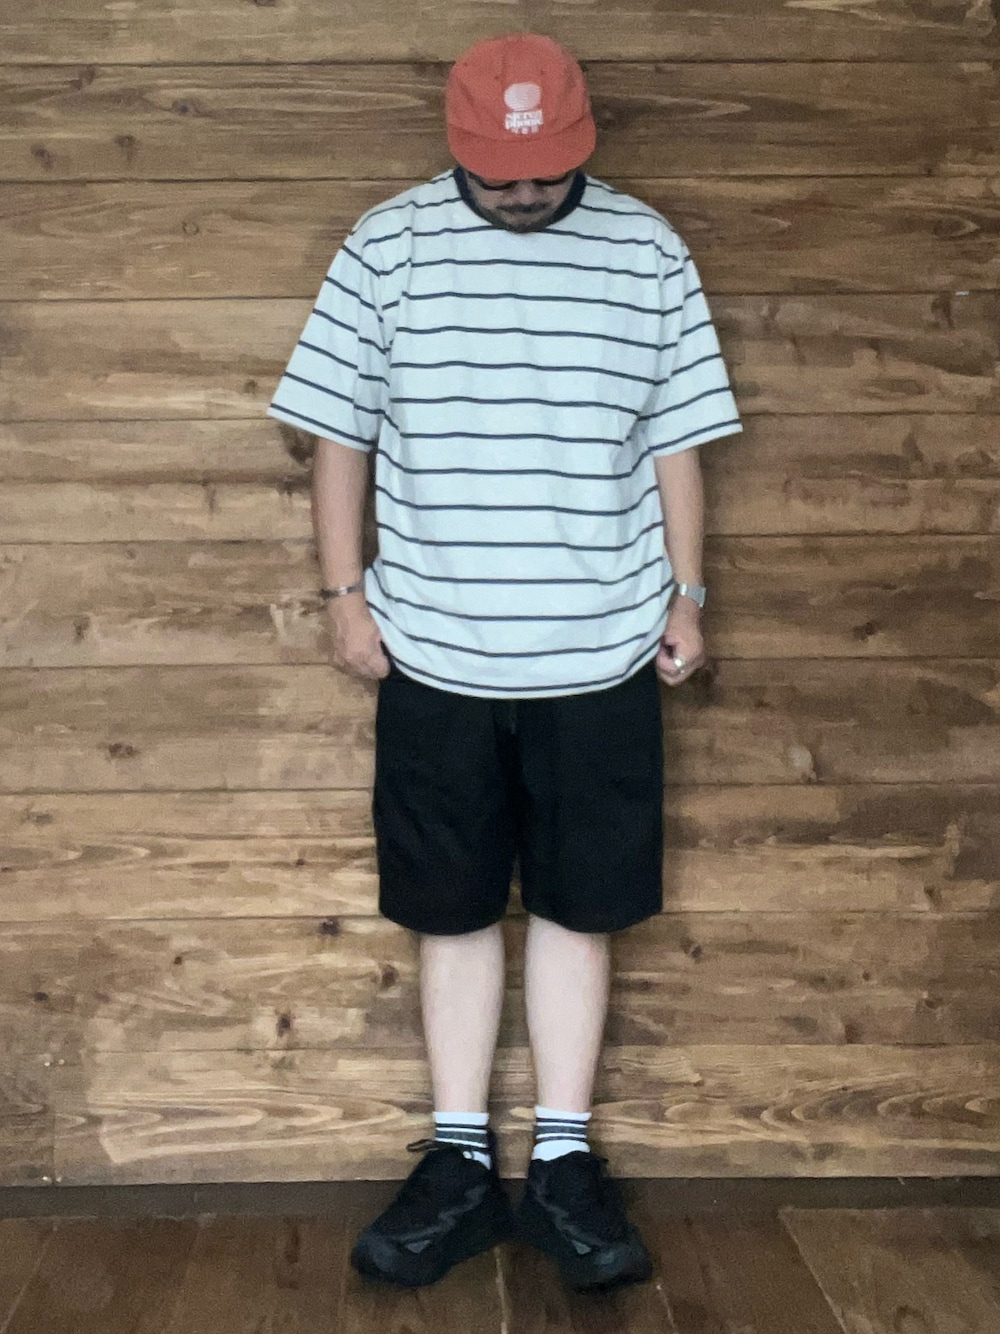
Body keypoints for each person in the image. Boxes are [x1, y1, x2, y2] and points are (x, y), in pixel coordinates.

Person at [268, 33, 741, 1292]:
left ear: (580, 142)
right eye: (498, 173)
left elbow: (679, 436)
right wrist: (343, 597)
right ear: (457, 145)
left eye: (544, 171)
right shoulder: (387, 244)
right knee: (451, 906)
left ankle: (566, 1163)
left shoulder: (646, 248)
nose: (524, 192)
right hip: (434, 645)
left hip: (604, 647)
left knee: (583, 908)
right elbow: (339, 433)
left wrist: (689, 592)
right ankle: (462, 1162)